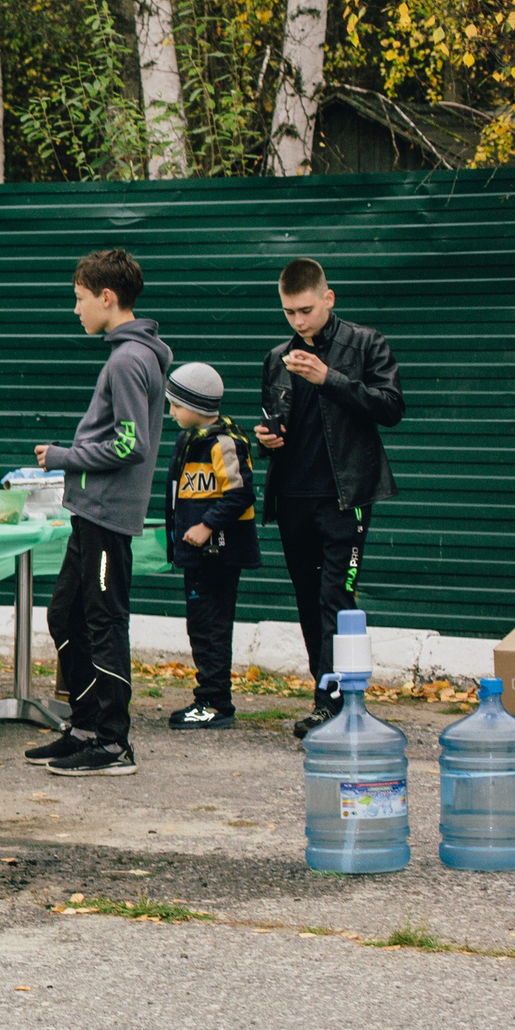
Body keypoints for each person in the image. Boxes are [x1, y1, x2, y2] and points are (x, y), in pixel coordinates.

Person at [30, 248, 172, 777]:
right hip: (90, 510)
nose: (76, 310)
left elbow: (130, 445)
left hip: (108, 515)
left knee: (103, 622)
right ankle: (85, 726)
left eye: (80, 299)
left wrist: (63, 457)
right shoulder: (128, 355)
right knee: (64, 615)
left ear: (106, 298)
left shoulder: (129, 360)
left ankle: (114, 744)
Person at [254, 257, 404, 737]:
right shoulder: (277, 357)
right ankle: (329, 691)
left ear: (328, 299)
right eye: (289, 313)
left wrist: (328, 378)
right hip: (294, 495)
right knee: (306, 598)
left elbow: (391, 407)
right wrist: (267, 438)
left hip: (348, 494)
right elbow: (276, 422)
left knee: (336, 596)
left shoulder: (365, 343)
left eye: (306, 310)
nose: (298, 321)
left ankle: (332, 702)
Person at [162, 362, 258, 731]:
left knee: (212, 627)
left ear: (196, 404)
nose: (171, 413)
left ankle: (215, 703)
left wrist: (205, 526)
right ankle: (209, 697)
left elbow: (240, 493)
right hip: (196, 553)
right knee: (200, 626)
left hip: (218, 551)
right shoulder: (189, 440)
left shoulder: (223, 442)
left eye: (176, 405)